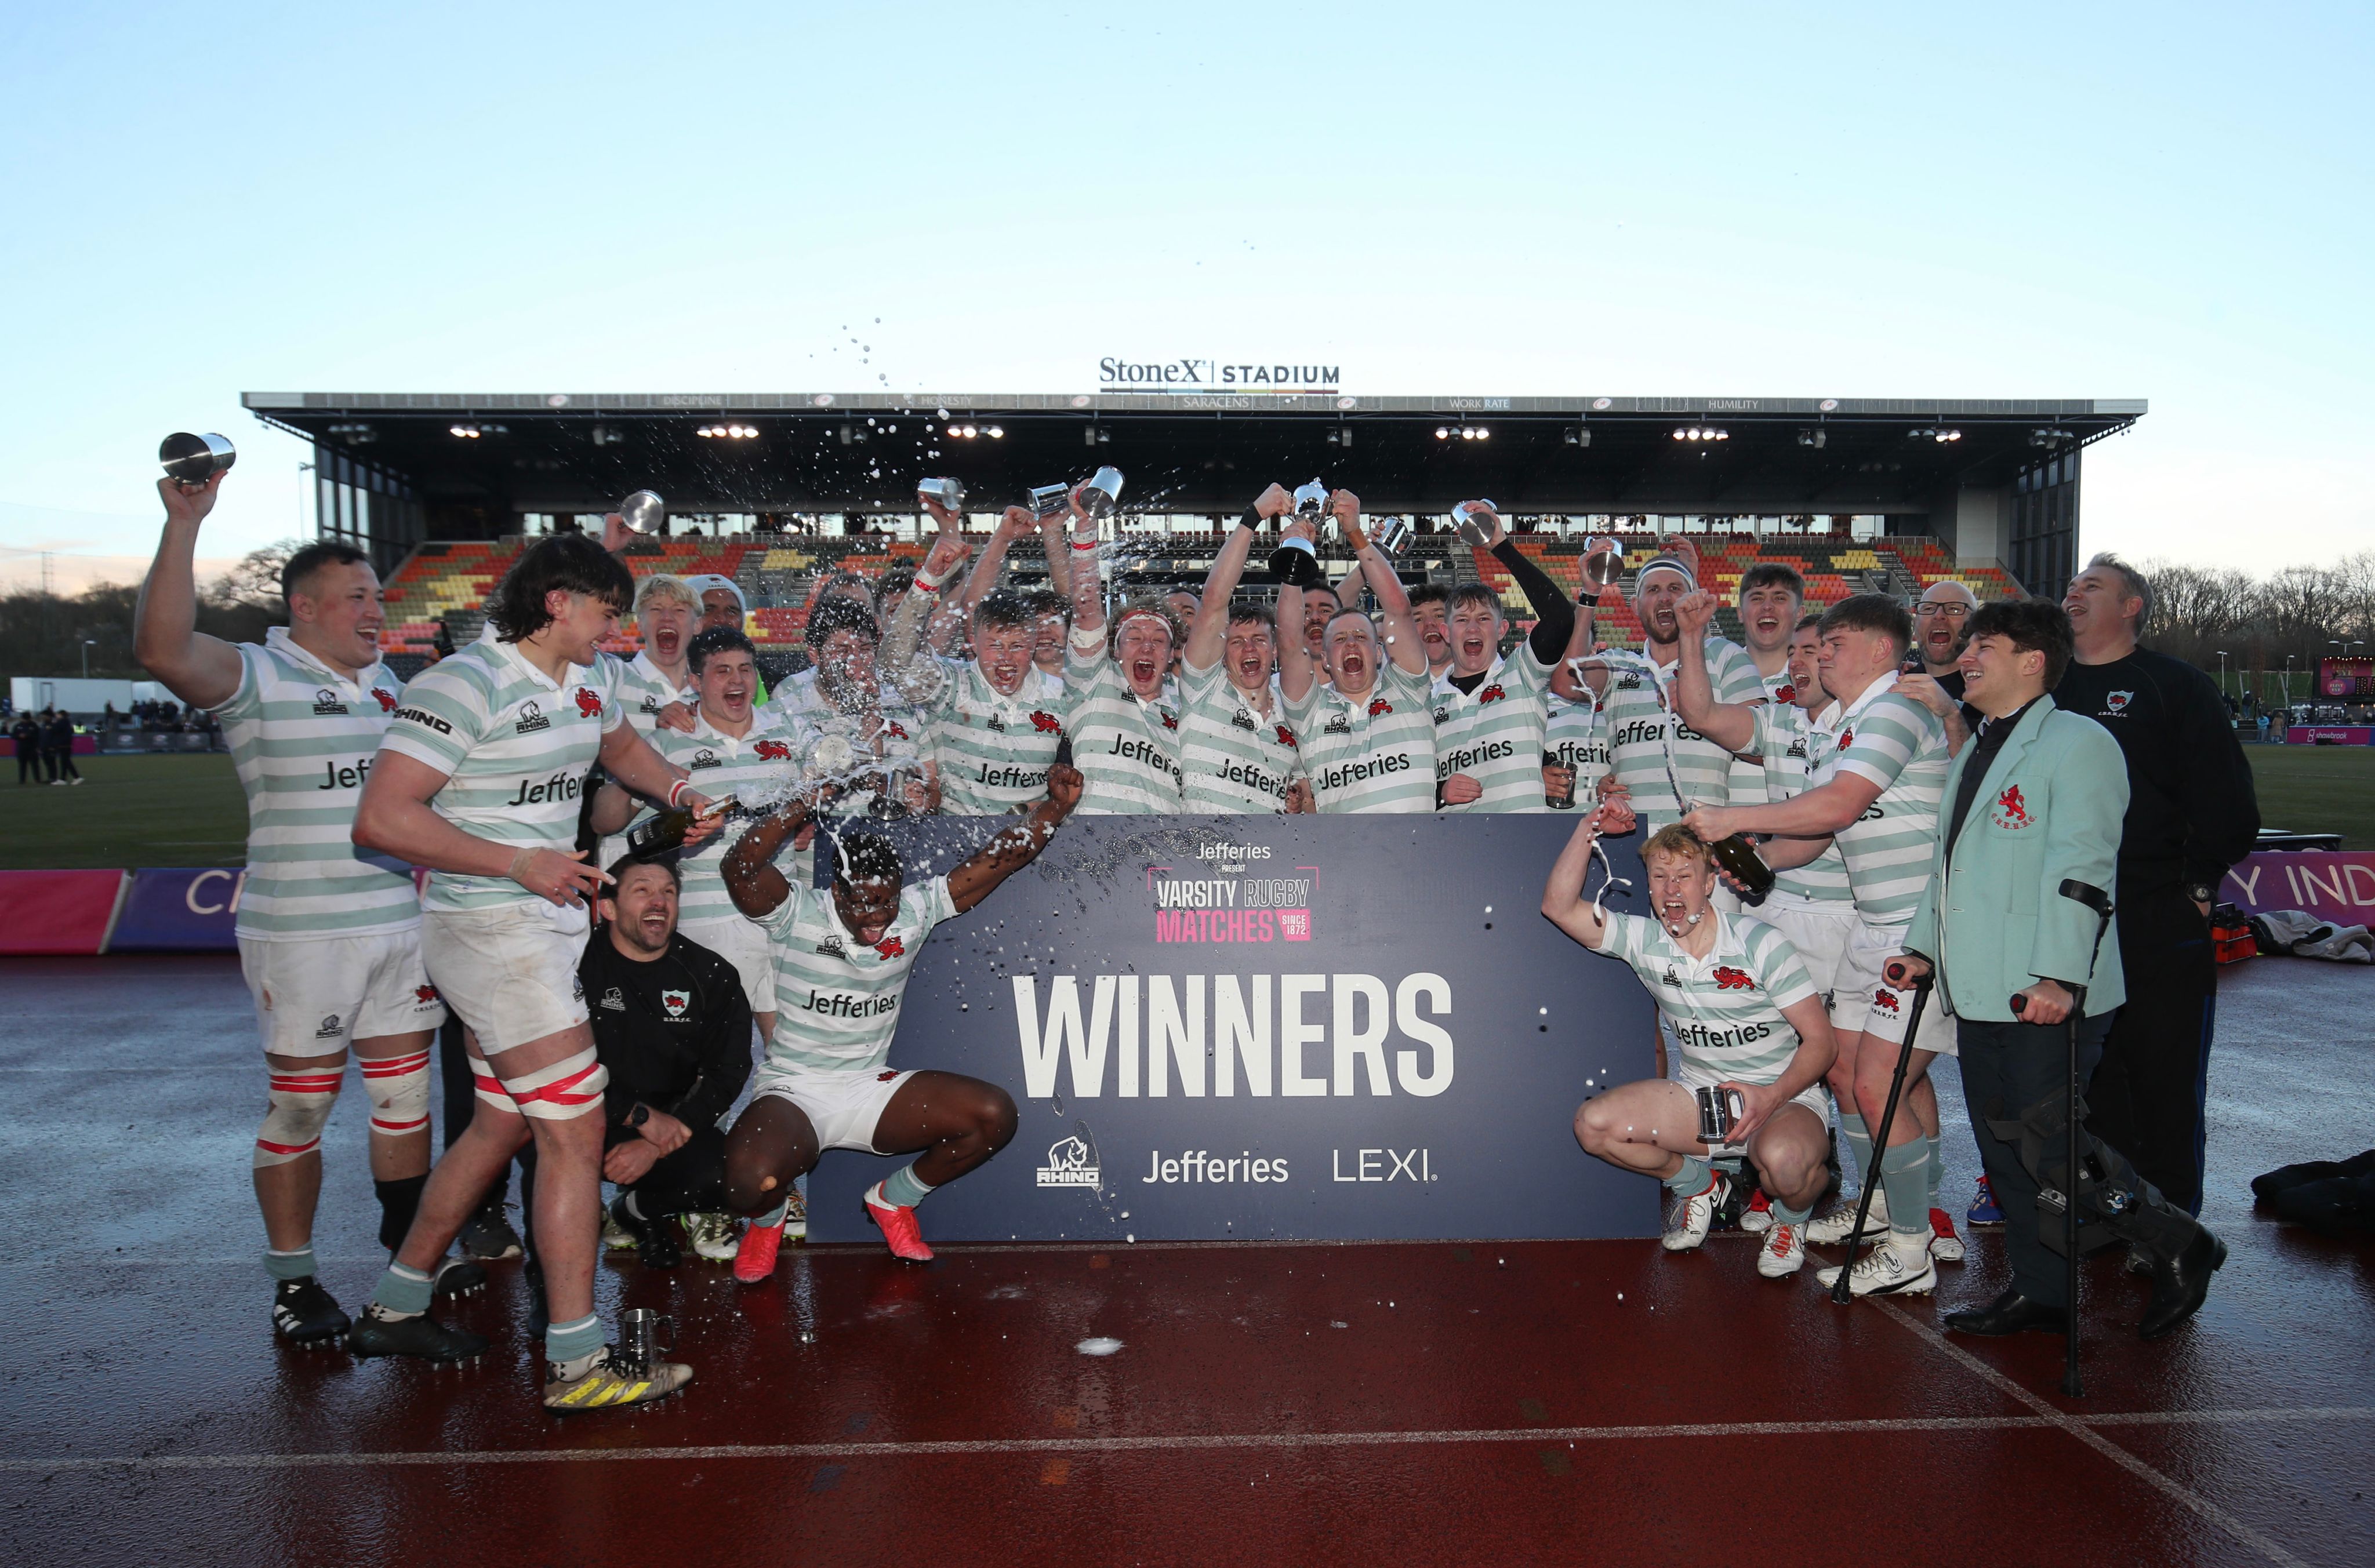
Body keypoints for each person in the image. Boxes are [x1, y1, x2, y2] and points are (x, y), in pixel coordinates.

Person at [353, 532, 716, 1410]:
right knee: (574, 1133)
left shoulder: (589, 680)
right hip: (490, 934)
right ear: (557, 602)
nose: (617, 632)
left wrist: (680, 792)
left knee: (502, 1126)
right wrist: (520, 863)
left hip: (536, 930)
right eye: (606, 613)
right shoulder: (462, 683)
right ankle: (576, 1363)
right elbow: (382, 821)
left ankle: (398, 1303)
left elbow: (624, 749)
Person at [132, 468, 449, 1346]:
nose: (375, 612)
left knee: (403, 1102)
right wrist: (185, 523)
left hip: (396, 922)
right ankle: (294, 1279)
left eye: (378, 597)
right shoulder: (257, 674)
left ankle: (405, 1252)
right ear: (305, 608)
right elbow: (162, 650)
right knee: (304, 1107)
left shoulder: (392, 685)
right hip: (302, 932)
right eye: (357, 597)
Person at [1897, 599, 2225, 1341]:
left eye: (1984, 644)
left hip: (2046, 988)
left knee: (2054, 1147)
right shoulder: (1980, 741)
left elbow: (2083, 868)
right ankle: (2043, 1288)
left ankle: (2178, 1239)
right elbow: (1948, 869)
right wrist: (1921, 946)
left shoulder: (2079, 741)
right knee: (2004, 1143)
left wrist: (2061, 977)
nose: (1966, 655)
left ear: (2032, 661)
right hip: (1978, 984)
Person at [1682, 594, 1961, 1294]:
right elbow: (1821, 831)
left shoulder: (1896, 708)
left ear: (1880, 649)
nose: (1821, 651)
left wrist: (1730, 817)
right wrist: (1758, 857)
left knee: (1876, 1082)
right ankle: (1880, 1211)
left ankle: (1910, 1243)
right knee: (1842, 1074)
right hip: (1874, 924)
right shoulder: (1844, 722)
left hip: (1918, 927)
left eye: (1837, 641)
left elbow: (1836, 804)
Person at [718, 758, 1084, 1275]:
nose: (877, 917)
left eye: (886, 900)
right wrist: (804, 800)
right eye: (864, 903)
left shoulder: (913, 910)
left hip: (869, 1088)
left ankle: (894, 1199)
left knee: (993, 1115)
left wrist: (1056, 808)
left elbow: (1001, 860)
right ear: (837, 891)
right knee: (745, 1184)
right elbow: (739, 866)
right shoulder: (799, 911)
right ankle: (769, 1215)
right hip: (795, 1090)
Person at [1541, 813, 1839, 1279]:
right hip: (1703, 1095)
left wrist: (1771, 1098)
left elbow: (1822, 1044)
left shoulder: (1761, 943)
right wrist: (1589, 824)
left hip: (1781, 1098)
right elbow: (1558, 906)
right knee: (1594, 1126)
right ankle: (1701, 1186)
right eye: (1660, 877)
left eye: (1684, 876)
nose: (1671, 890)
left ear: (1709, 883)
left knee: (1785, 1169)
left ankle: (1791, 1219)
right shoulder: (1645, 939)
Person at [2057, 554, 2259, 1220]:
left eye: (2092, 585)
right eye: (2072, 585)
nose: (2074, 592)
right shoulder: (2042, 685)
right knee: (2090, 1078)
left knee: (2164, 1075)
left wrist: (2197, 886)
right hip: (2065, 916)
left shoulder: (2176, 684)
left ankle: (2172, 1224)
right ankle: (2112, 1213)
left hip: (2153, 912)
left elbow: (2229, 803)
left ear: (2132, 605)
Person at [1673, 607, 1860, 1231]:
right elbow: (1697, 712)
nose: (1804, 662)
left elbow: (1824, 825)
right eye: (1799, 653)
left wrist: (1749, 843)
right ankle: (1776, 1165)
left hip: (1838, 913)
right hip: (1775, 906)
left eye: (1817, 651)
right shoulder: (1778, 723)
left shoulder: (1856, 731)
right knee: (1772, 1041)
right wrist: (1692, 633)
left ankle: (1866, 1188)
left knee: (1848, 1063)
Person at [582, 857, 752, 1268]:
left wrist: (657, 1140)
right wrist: (636, 1116)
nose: (659, 902)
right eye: (642, 890)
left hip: (672, 1124)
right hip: (582, 1117)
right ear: (608, 908)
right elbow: (555, 1065)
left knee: (742, 1179)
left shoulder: (710, 974)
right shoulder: (575, 966)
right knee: (534, 1142)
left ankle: (636, 1211)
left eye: (669, 892)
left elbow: (728, 1072)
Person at [1279, 492, 1437, 813]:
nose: (1351, 644)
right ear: (1324, 659)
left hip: (1418, 854)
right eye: (1338, 640)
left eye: (1360, 636)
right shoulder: (1311, 712)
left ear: (1380, 652)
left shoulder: (1409, 690)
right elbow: (1291, 642)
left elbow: (1399, 609)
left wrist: (1356, 534)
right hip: (1346, 858)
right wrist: (1294, 551)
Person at [1584, 549, 1762, 831]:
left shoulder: (1725, 655)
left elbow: (1761, 747)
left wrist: (1700, 713)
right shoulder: (1621, 666)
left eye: (1675, 588)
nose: (1665, 597)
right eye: (1654, 589)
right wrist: (1589, 592)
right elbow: (1564, 683)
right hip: (1631, 839)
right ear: (1635, 605)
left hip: (1700, 838)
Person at [1431, 504, 1577, 812]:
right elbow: (1406, 782)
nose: (1473, 627)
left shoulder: (1522, 674)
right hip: (1451, 848)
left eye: (1484, 619)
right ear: (1446, 632)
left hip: (1519, 844)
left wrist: (1500, 546)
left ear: (1502, 630)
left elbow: (1561, 618)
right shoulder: (1425, 701)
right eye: (1462, 620)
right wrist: (1440, 792)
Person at [1176, 485, 1306, 813]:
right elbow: (1215, 600)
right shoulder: (1203, 691)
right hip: (1203, 857)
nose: (1249, 647)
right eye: (1237, 642)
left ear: (1274, 651)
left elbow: (1307, 803)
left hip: (1270, 860)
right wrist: (1252, 518)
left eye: (1260, 640)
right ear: (1222, 651)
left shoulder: (1291, 717)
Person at [1061, 488, 1185, 814]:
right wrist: (1085, 530)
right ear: (1114, 650)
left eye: (1159, 640)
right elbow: (1087, 609)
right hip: (1095, 844)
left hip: (1167, 851)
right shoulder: (1093, 683)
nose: (1147, 645)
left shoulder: (1186, 707)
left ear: (1172, 654)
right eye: (1134, 638)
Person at [1898, 579, 1981, 752]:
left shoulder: (1989, 693)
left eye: (1954, 609)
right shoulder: (1897, 683)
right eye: (1928, 609)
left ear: (1974, 624)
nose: (1939, 615)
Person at [1407, 584, 1455, 682]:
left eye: (1439, 616)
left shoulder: (1485, 680)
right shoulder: (1395, 684)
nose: (1429, 623)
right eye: (1418, 619)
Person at [46, 708, 82, 784]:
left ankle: (77, 777)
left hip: (64, 745)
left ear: (61, 715)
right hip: (66, 745)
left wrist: (51, 726)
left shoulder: (62, 722)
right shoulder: (66, 722)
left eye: (57, 714)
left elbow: (55, 730)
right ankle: (63, 779)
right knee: (64, 762)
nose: (56, 716)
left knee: (66, 762)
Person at [11, 710, 41, 785]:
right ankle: (22, 780)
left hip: (32, 748)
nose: (25, 721)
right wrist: (19, 736)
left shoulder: (34, 726)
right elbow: (13, 736)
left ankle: (37, 779)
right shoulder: (18, 726)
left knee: (35, 764)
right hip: (21, 748)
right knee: (22, 765)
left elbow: (38, 736)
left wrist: (28, 736)